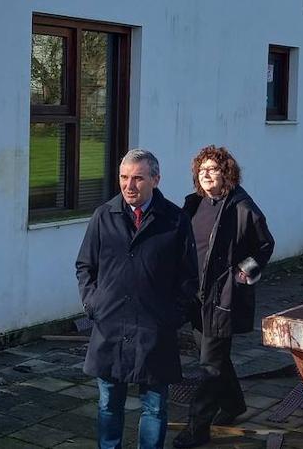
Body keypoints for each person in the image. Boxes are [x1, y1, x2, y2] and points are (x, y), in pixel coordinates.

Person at [76, 148, 200, 449]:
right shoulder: (104, 215)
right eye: (123, 177)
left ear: (155, 180)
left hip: (154, 330)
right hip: (110, 328)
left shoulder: (174, 220)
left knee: (155, 407)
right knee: (108, 405)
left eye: (138, 178)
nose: (128, 186)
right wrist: (94, 305)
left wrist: (171, 317)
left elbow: (188, 278)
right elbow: (85, 265)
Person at [173, 146, 275, 449]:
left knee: (209, 365)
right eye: (201, 169)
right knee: (213, 356)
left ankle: (197, 428)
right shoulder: (194, 204)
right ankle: (233, 404)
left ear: (226, 173)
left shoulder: (242, 207)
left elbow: (265, 245)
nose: (205, 174)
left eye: (212, 169)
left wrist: (244, 272)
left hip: (223, 297)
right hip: (196, 296)